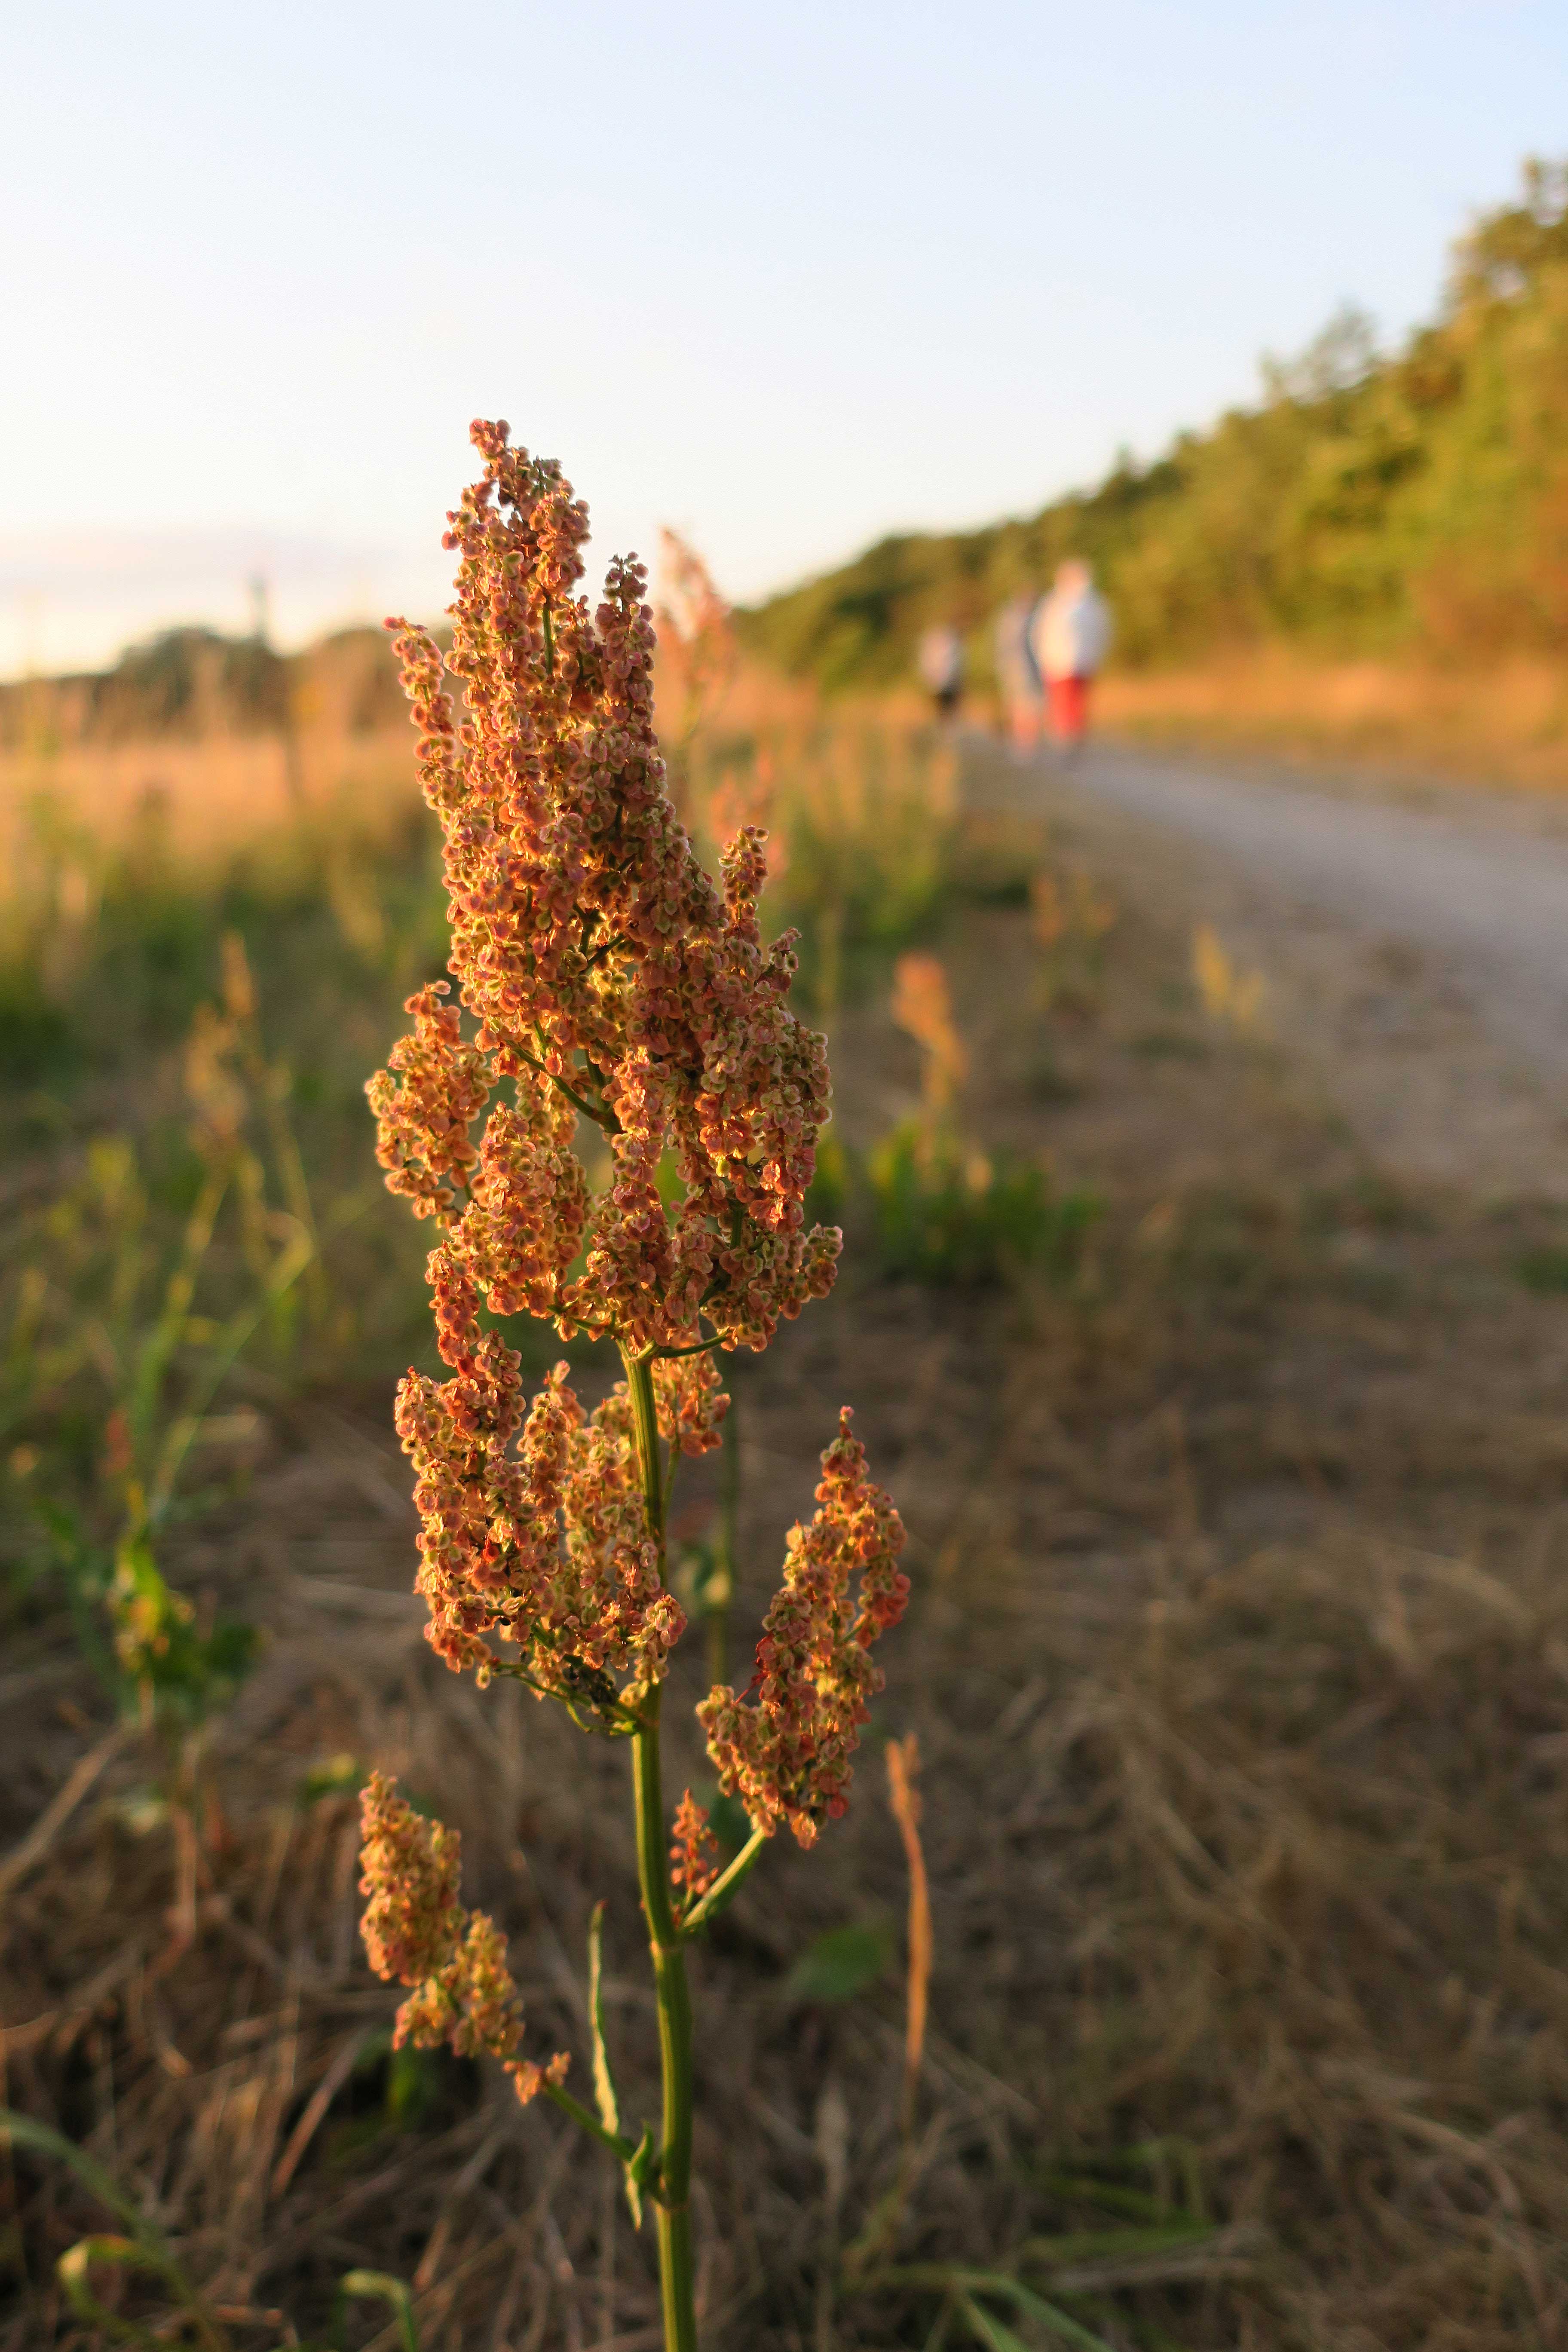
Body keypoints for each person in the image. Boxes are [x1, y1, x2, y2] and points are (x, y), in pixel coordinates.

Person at [1029, 560, 1112, 754]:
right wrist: (1044, 659)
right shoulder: (1054, 603)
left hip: (1081, 662)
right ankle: (1066, 739)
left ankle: (1072, 738)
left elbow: (1103, 632)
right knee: (1065, 704)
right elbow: (1040, 634)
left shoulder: (1092, 603)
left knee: (1076, 704)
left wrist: (1096, 655)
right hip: (1059, 663)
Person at [993, 591, 1043, 756]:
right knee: (1021, 706)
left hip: (1031, 669)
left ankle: (1027, 743)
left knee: (1029, 706)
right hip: (1017, 670)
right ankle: (1022, 742)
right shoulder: (1013, 620)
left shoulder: (1037, 619)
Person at [916, 622, 963, 720]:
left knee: (950, 710)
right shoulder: (946, 640)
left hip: (948, 683)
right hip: (940, 683)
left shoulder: (949, 640)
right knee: (941, 710)